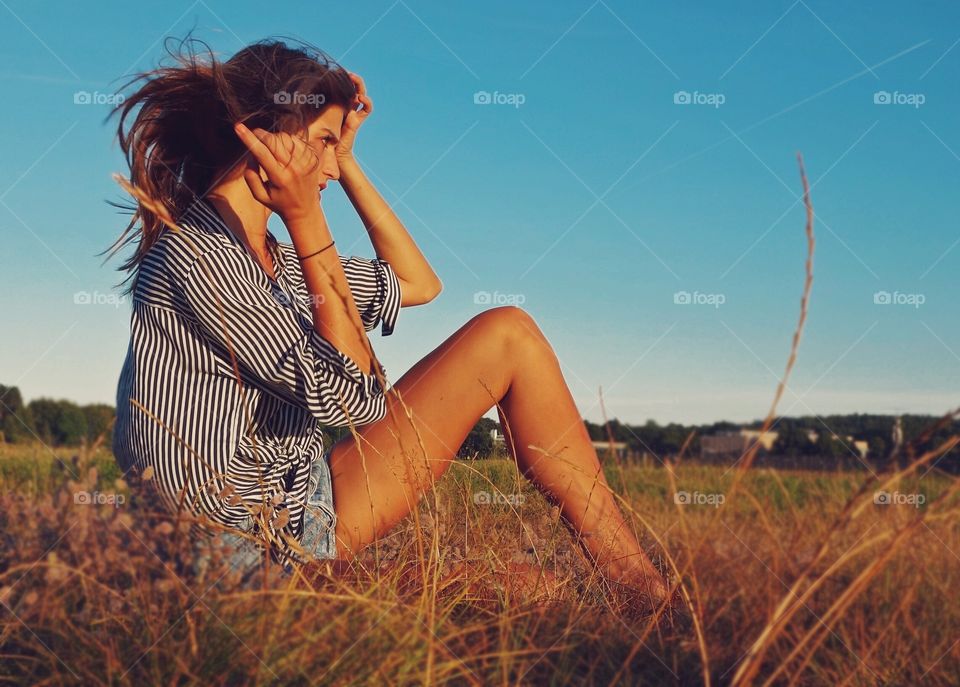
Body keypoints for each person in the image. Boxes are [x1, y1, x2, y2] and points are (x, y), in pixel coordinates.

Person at [107, 36, 670, 606]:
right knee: (528, 591)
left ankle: (639, 585)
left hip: (302, 506)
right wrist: (306, 217)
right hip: (229, 555)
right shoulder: (197, 257)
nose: (328, 163)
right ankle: (634, 598)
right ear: (266, 134)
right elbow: (352, 401)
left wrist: (348, 164)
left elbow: (419, 283)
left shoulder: (276, 259)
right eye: (323, 141)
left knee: (508, 334)